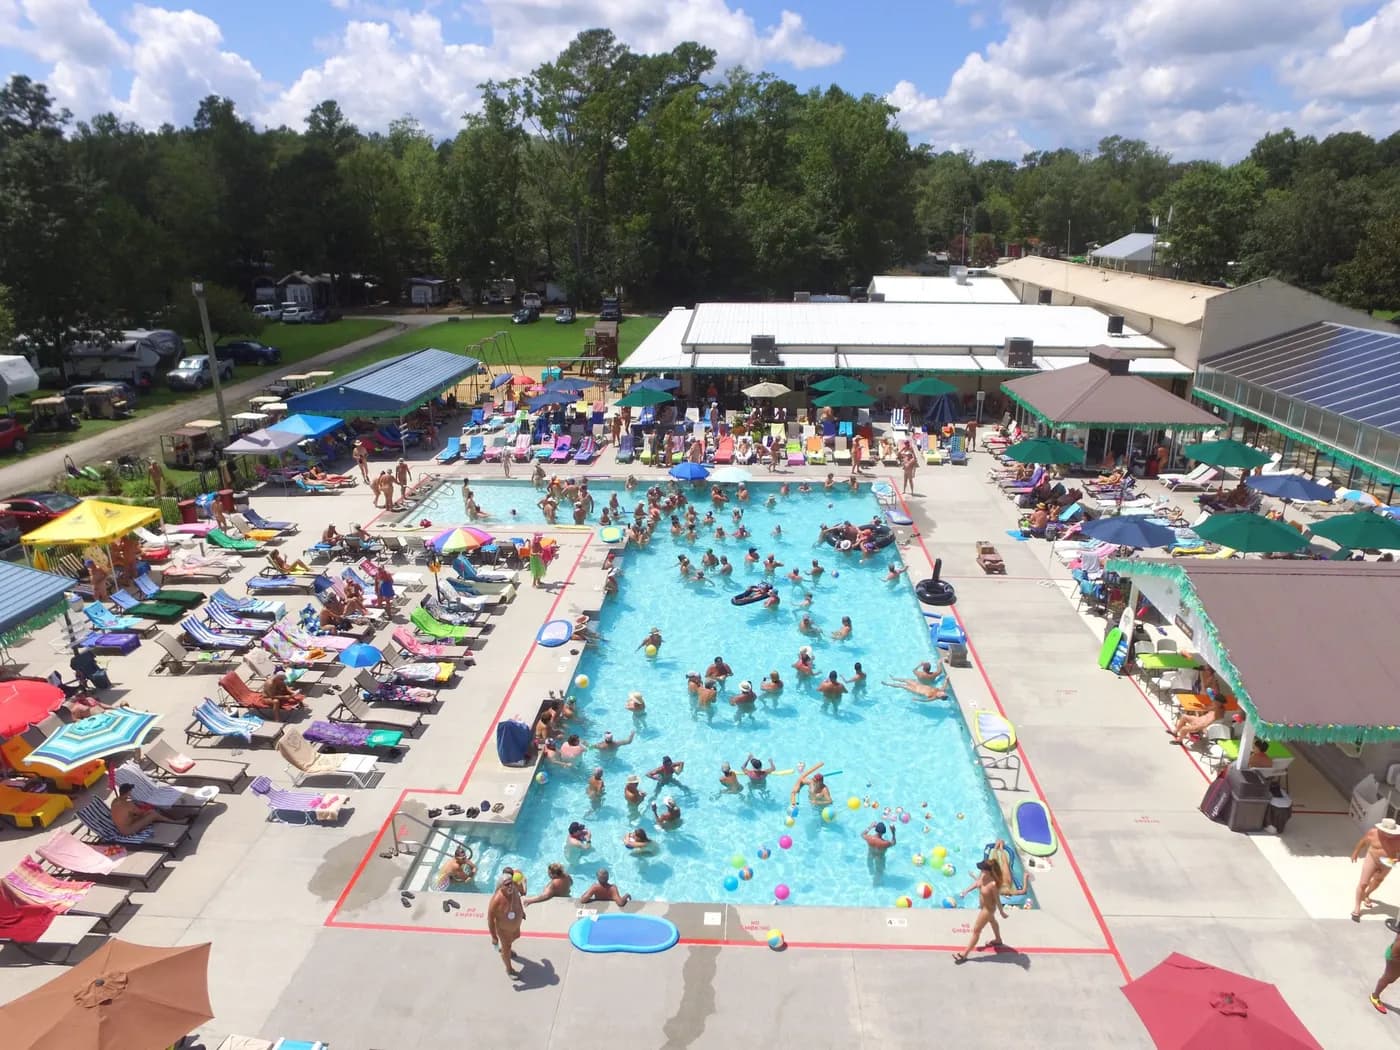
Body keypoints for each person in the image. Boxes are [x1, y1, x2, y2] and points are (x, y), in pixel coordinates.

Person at [953, 859, 1009, 963]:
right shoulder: (983, 876)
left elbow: (997, 900)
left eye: (982, 869)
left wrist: (1002, 912)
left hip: (988, 909)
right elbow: (977, 883)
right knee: (992, 921)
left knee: (976, 931)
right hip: (983, 907)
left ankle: (964, 954)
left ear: (989, 871)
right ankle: (998, 940)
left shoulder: (993, 884)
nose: (981, 870)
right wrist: (966, 891)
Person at [1353, 818, 1400, 922]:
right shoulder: (1373, 833)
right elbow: (1363, 841)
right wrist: (1356, 852)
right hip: (1372, 858)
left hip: (1388, 862)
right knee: (1363, 883)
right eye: (1387, 832)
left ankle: (1367, 894)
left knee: (1378, 881)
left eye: (1391, 833)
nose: (1389, 835)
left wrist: (1395, 860)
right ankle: (1357, 907)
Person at [487, 871, 527, 978]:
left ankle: (505, 949)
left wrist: (522, 912)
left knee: (517, 936)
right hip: (504, 930)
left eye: (511, 883)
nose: (510, 886)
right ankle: (509, 970)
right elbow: (490, 920)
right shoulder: (496, 901)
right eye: (507, 884)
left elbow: (518, 901)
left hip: (515, 926)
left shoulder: (514, 890)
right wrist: (494, 937)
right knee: (507, 948)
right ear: (501, 886)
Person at [111, 783, 190, 836]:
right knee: (153, 814)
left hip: (122, 827)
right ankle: (175, 822)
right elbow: (140, 813)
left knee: (150, 812)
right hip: (128, 830)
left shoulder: (114, 801)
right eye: (130, 791)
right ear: (128, 792)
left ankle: (169, 819)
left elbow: (127, 815)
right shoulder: (128, 804)